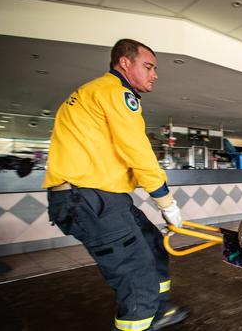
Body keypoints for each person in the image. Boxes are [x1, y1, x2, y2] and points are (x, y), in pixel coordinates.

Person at [43, 39, 188, 330]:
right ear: (124, 63)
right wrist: (165, 201)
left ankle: (158, 311)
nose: (155, 74)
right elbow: (137, 149)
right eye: (148, 67)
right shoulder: (116, 93)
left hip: (104, 196)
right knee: (137, 275)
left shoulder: (92, 93)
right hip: (88, 197)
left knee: (152, 245)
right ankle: (139, 321)